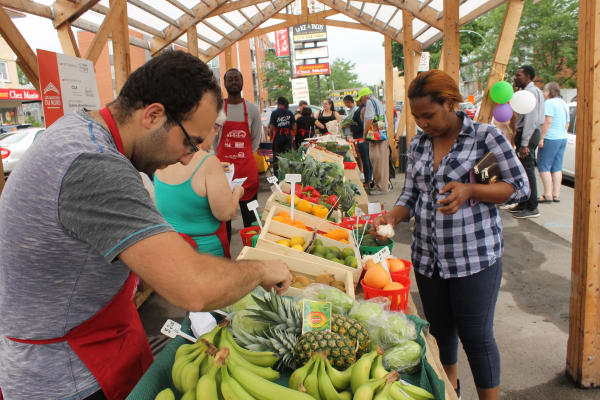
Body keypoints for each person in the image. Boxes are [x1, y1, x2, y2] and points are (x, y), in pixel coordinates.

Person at [0, 50, 291, 400]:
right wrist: (260, 271)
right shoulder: (94, 165)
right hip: (68, 377)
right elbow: (192, 287)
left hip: (87, 347)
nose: (188, 156)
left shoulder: (78, 132)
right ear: (153, 115)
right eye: (190, 141)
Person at [372, 70, 529, 400]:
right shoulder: (418, 144)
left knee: (476, 336)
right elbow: (410, 195)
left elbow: (518, 187)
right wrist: (394, 216)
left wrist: (471, 189)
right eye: (417, 117)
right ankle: (451, 391)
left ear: (450, 103)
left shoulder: (485, 138)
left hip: (474, 259)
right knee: (441, 333)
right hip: (428, 260)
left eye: (428, 115)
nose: (423, 123)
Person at [155, 110, 244, 258]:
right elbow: (226, 213)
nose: (216, 134)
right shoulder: (208, 162)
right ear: (204, 126)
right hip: (207, 257)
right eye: (216, 128)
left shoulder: (163, 157)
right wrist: (237, 192)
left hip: (173, 253)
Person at [214, 68, 262, 237]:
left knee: (251, 219)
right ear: (224, 83)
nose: (233, 82)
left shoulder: (253, 109)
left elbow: (256, 138)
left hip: (247, 174)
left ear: (242, 82)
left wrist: (245, 154)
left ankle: (253, 252)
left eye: (236, 79)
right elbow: (213, 139)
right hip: (224, 174)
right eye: (230, 79)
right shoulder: (218, 108)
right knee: (224, 219)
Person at [509, 65, 545, 219]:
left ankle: (532, 206)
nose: (515, 78)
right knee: (522, 169)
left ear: (528, 77)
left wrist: (524, 143)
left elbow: (531, 120)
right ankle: (523, 202)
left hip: (528, 134)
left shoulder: (531, 93)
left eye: (518, 75)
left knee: (528, 170)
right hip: (525, 133)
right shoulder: (524, 92)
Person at [537, 82, 569, 203]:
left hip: (551, 138)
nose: (544, 93)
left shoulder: (549, 103)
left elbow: (548, 121)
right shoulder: (563, 103)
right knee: (557, 167)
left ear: (550, 92)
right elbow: (567, 123)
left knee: (543, 166)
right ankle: (556, 195)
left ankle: (547, 194)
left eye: (545, 90)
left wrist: (542, 137)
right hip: (562, 138)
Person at [358, 87, 389, 194]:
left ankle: (381, 187)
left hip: (377, 137)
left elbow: (370, 119)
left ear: (364, 97)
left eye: (361, 99)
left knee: (376, 160)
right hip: (382, 135)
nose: (361, 102)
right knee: (381, 161)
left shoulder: (370, 102)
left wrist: (364, 134)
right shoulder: (376, 101)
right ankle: (382, 185)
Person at [269, 96, 296, 177]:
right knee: (288, 156)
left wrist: (271, 136)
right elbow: (294, 127)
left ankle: (277, 176)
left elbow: (271, 127)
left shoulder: (274, 113)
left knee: (277, 157)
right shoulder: (290, 113)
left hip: (278, 137)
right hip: (287, 137)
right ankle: (288, 176)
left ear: (278, 104)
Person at [353, 94, 372, 187]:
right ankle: (368, 179)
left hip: (362, 137)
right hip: (362, 137)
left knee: (366, 159)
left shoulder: (363, 110)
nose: (356, 102)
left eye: (357, 100)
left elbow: (363, 124)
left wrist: (353, 126)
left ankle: (368, 180)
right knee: (366, 159)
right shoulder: (363, 109)